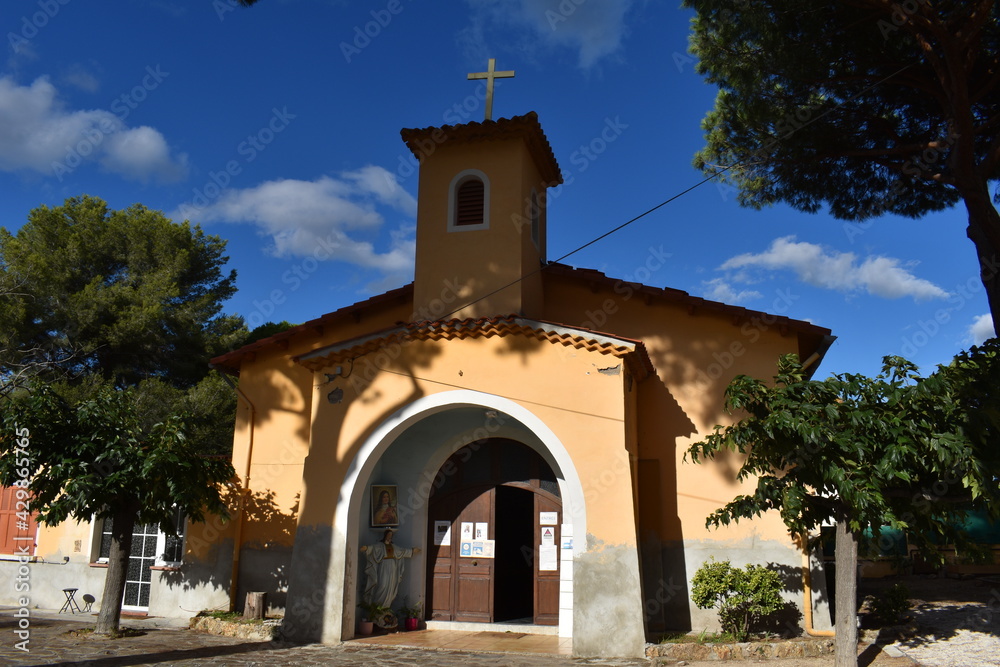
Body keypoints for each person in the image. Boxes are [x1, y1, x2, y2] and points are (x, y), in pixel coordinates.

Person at [360, 529, 421, 611]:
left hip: (393, 568)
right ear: (385, 536)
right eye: (388, 535)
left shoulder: (394, 547)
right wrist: (366, 548)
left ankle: (386, 607)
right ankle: (377, 608)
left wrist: (413, 551)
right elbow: (373, 548)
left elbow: (403, 551)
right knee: (383, 585)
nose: (390, 537)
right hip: (384, 566)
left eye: (391, 536)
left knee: (391, 586)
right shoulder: (380, 546)